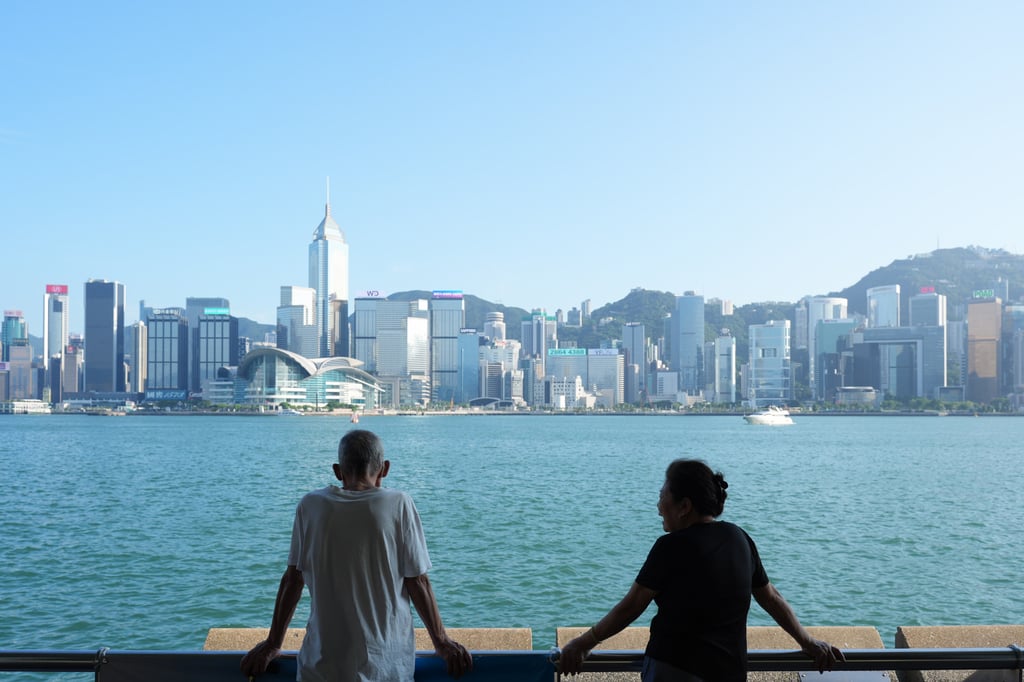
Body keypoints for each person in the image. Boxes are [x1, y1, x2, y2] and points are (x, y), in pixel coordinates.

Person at [559, 459, 844, 682]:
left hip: (675, 671)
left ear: (684, 506)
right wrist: (807, 642)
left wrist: (584, 643)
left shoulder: (671, 546)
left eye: (663, 496)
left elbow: (631, 606)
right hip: (729, 672)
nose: (659, 507)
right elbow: (771, 598)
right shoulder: (739, 538)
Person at [240, 429, 472, 682]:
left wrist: (273, 643)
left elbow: (292, 581)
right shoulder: (399, 503)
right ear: (384, 468)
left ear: (338, 471)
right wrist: (442, 642)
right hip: (385, 667)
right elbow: (417, 581)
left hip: (320, 667)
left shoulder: (310, 505)